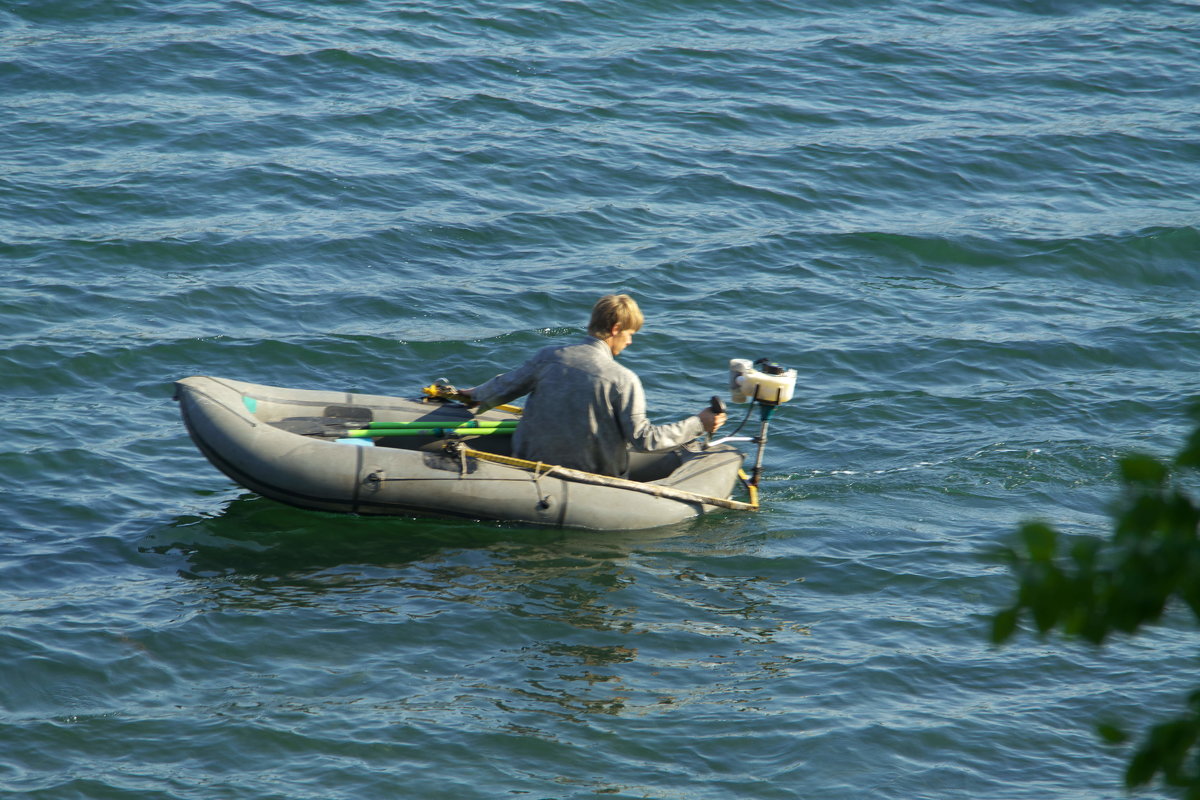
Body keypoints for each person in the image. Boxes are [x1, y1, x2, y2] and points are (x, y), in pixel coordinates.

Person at [460, 294, 725, 477]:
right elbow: (645, 440)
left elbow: (500, 389)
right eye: (630, 334)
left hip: (528, 467)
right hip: (588, 480)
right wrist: (699, 423)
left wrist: (471, 395)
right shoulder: (623, 379)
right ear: (615, 329)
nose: (630, 342)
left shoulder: (548, 356)